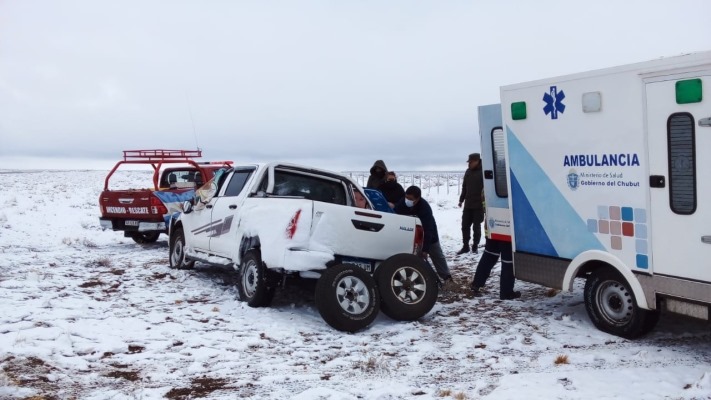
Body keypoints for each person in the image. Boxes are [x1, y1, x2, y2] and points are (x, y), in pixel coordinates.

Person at [394, 185, 452, 283]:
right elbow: (395, 217)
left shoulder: (425, 208)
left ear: (417, 199)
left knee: (437, 255)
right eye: (406, 197)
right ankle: (420, 279)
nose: (407, 200)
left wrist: (425, 249)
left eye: (410, 199)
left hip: (429, 235)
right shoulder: (401, 204)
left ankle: (447, 278)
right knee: (415, 259)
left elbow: (428, 229)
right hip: (410, 235)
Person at [457, 153, 484, 254]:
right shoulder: (468, 172)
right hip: (468, 205)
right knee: (464, 226)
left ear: (477, 161)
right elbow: (464, 187)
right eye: (469, 162)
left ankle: (475, 246)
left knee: (476, 227)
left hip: (479, 206)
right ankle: (465, 246)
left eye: (471, 162)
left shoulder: (483, 172)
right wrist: (461, 200)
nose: (469, 164)